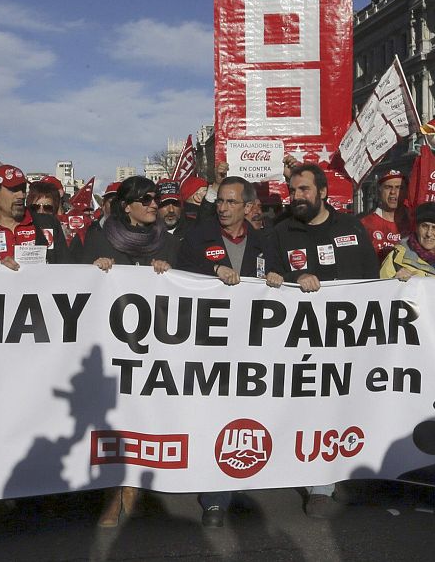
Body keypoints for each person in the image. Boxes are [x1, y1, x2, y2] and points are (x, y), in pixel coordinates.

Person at [171, 175, 279, 529]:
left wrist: (281, 277)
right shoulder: (197, 236)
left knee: (246, 417)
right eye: (220, 201)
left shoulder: (265, 240)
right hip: (209, 345)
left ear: (248, 207)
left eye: (231, 202)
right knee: (214, 417)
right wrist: (211, 270)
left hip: (253, 345)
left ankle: (246, 482)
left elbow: (285, 273)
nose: (223, 208)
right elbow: (178, 274)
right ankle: (215, 498)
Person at [265, 162, 372, 519]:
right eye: (293, 190)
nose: (296, 196)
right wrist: (293, 278)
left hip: (348, 339)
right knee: (312, 407)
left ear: (323, 193)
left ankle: (351, 470)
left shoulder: (352, 228)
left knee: (348, 404)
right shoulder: (280, 232)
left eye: (304, 190)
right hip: (302, 341)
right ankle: (319, 483)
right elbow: (266, 278)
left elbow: (371, 281)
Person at [79, 175, 176, 527]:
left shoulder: (168, 243)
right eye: (147, 199)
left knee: (144, 418)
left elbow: (186, 293)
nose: (155, 204)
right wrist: (92, 271)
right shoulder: (99, 239)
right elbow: (75, 289)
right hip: (109, 348)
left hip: (153, 349)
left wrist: (168, 274)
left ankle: (133, 490)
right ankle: (113, 491)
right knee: (114, 421)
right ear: (127, 205)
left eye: (156, 198)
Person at [0, 164, 69, 268]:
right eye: (13, 189)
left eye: (22, 189)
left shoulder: (48, 223)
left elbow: (67, 268)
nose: (21, 195)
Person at [360, 168, 409, 263]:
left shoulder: (415, 222)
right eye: (388, 187)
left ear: (406, 192)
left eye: (399, 187)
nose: (393, 192)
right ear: (379, 191)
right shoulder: (365, 224)